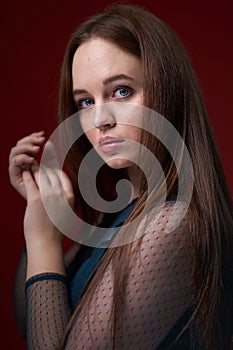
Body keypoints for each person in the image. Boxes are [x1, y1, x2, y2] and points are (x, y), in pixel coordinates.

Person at [8, 3, 233, 350]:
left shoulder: (172, 226)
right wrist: (43, 212)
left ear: (167, 92)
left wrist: (44, 241)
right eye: (84, 101)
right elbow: (31, 320)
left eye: (121, 91)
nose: (100, 119)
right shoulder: (122, 212)